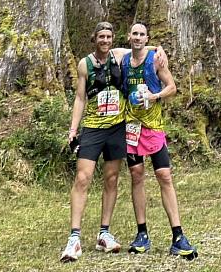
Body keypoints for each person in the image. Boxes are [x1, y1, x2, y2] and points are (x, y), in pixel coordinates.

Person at [60, 21, 165, 263]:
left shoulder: (119, 56)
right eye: (101, 37)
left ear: (113, 38)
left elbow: (141, 48)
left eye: (109, 36)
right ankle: (74, 237)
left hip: (117, 127)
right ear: (94, 39)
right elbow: (79, 98)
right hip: (94, 128)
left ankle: (104, 232)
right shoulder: (84, 64)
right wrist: (73, 129)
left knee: (112, 178)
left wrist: (159, 48)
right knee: (83, 178)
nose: (105, 41)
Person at [122, 22, 198, 259]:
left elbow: (172, 87)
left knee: (164, 176)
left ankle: (178, 236)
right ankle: (141, 233)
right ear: (129, 36)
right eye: (134, 34)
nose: (137, 37)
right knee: (136, 175)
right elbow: (104, 49)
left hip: (153, 127)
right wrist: (158, 45)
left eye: (142, 34)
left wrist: (155, 96)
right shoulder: (123, 58)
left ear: (147, 38)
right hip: (131, 127)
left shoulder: (155, 59)